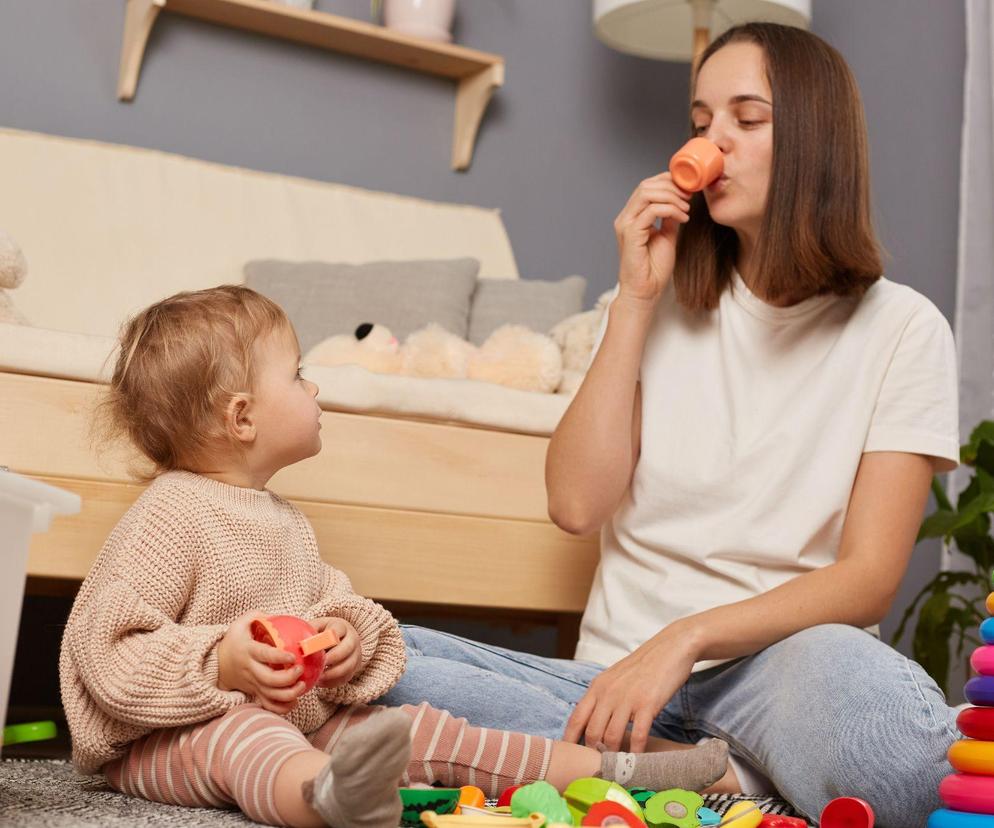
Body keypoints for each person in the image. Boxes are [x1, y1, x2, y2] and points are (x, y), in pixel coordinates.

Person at [378, 22, 961, 825]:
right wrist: (637, 301)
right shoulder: (654, 301)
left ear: (815, 141)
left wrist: (686, 639)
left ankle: (628, 773)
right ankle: (712, 779)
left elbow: (868, 575)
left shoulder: (905, 328)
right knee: (380, 665)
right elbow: (577, 505)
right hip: (613, 684)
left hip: (781, 676)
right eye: (698, 122)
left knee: (898, 756)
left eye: (745, 120)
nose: (710, 143)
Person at [58, 285, 728, 828]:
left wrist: (346, 641)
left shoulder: (285, 523)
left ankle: (613, 773)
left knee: (417, 728)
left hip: (292, 720)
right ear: (242, 418)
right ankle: (325, 801)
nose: (313, 389)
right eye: (296, 376)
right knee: (245, 741)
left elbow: (343, 609)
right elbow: (107, 652)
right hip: (167, 740)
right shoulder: (171, 513)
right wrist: (220, 662)